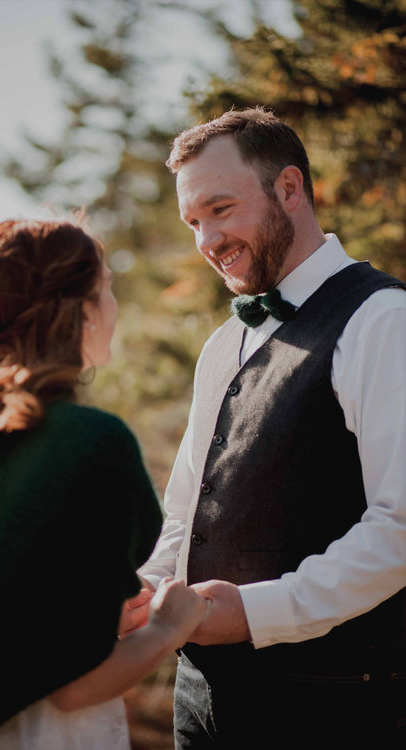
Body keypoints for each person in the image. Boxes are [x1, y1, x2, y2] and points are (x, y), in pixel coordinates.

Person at [134, 107, 406, 747]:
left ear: (289, 188)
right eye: (193, 222)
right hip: (199, 701)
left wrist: (256, 615)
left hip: (331, 706)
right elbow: (184, 514)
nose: (207, 241)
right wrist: (147, 587)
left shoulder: (382, 320)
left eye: (221, 210)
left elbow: (400, 526)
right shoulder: (220, 346)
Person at [0, 218, 208, 749]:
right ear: (82, 309)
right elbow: (76, 687)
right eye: (107, 288)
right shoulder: (89, 442)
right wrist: (169, 628)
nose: (114, 305)